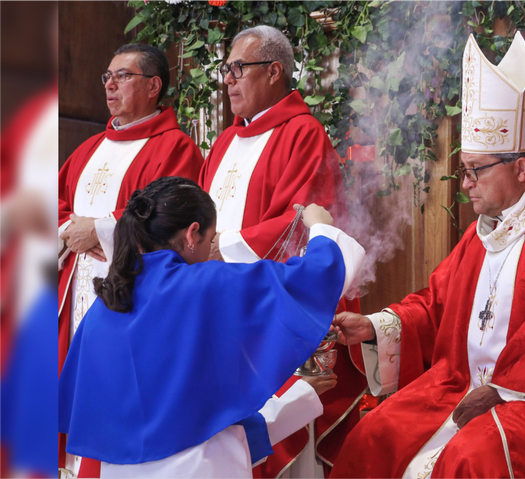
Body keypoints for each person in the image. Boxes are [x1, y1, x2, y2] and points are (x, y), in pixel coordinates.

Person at [329, 32, 525, 479]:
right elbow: (436, 306)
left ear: (520, 168)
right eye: (464, 169)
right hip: (457, 386)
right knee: (376, 432)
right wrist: (374, 326)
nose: (466, 183)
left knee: (473, 458)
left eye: (476, 170)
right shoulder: (483, 231)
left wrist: (503, 391)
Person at [58, 176, 365, 479]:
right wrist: (321, 228)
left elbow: (176, 423)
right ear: (193, 234)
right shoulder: (205, 285)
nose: (210, 248)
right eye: (210, 238)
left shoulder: (103, 309)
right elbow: (315, 281)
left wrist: (301, 400)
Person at [198, 25, 366, 477]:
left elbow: (305, 218)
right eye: (226, 69)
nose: (228, 79)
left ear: (274, 72)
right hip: (216, 301)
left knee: (280, 439)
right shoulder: (225, 141)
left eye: (238, 68)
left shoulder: (302, 133)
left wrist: (223, 249)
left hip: (268, 306)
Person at [57, 43, 204, 478]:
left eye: (123, 76)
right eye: (107, 76)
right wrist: (70, 230)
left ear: (154, 86)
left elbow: (169, 218)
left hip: (131, 296)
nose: (110, 85)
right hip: (74, 289)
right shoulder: (87, 150)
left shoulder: (176, 149)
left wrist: (99, 230)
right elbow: (57, 203)